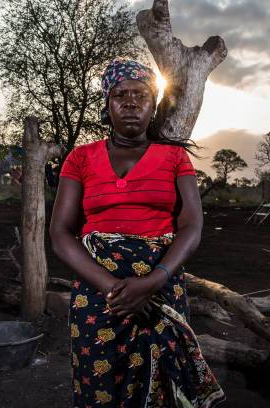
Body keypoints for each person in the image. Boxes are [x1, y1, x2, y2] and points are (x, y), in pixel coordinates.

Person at [49, 59, 226, 408]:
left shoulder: (175, 157)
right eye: (120, 95)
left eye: (140, 95)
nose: (130, 102)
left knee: (159, 385)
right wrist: (114, 288)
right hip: (98, 295)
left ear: (153, 105)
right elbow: (60, 233)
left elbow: (191, 225)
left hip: (161, 287)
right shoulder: (80, 158)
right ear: (107, 103)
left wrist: (153, 282)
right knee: (98, 383)